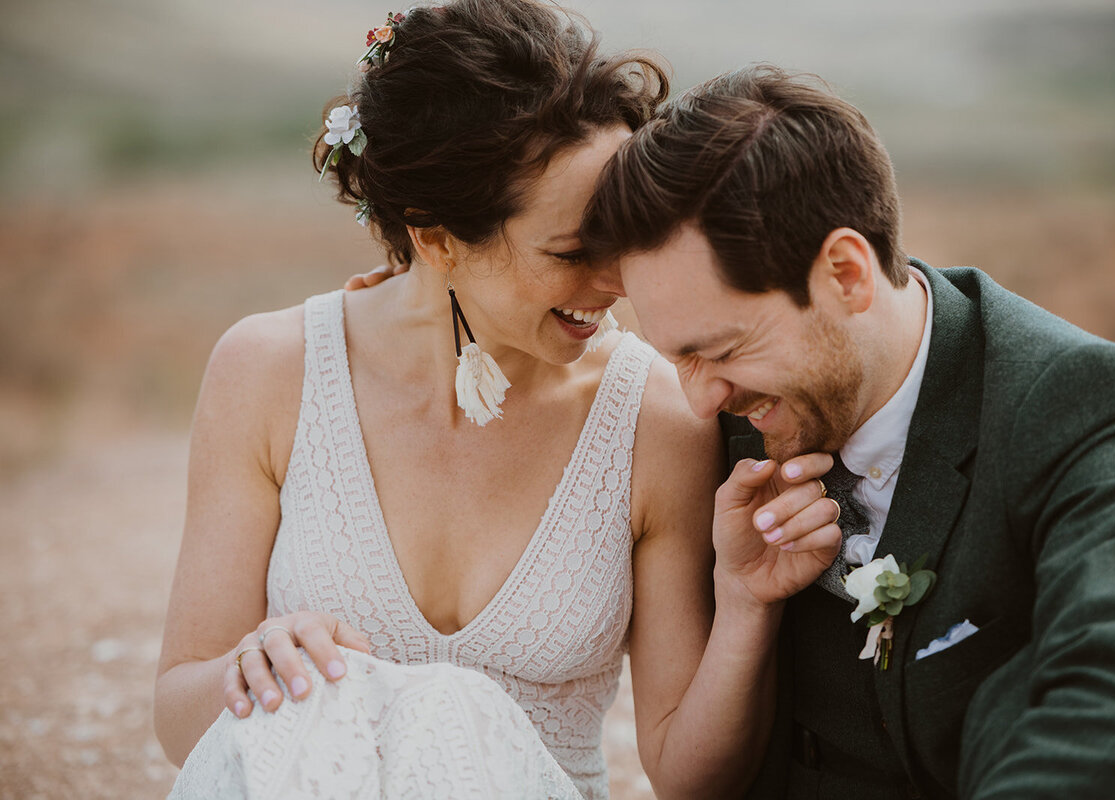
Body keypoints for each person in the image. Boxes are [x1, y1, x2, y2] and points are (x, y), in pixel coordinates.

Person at [154, 5, 842, 798]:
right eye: (573, 251)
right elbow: (179, 721)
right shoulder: (270, 373)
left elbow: (684, 775)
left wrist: (745, 606)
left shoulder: (655, 416)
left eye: (626, 236)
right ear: (436, 236)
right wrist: (256, 667)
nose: (619, 282)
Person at [576, 65, 1115, 799]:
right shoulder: (727, 426)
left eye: (722, 350)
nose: (704, 399)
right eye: (678, 357)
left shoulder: (1079, 401)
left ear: (846, 272)